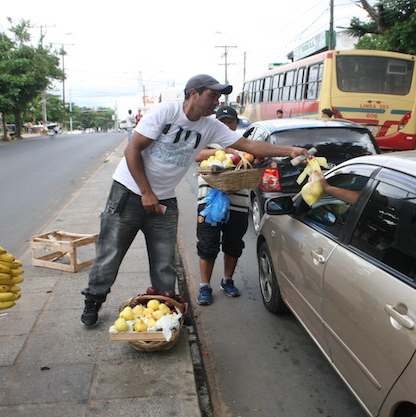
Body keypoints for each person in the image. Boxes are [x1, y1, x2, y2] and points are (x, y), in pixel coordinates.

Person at [80, 74, 308, 326]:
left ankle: (166, 308)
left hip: (164, 199)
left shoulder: (210, 125)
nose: (216, 102)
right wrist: (146, 192)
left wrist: (290, 150)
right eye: (212, 96)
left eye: (218, 97)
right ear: (193, 93)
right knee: (111, 253)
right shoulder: (165, 113)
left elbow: (247, 145)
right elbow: (131, 149)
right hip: (128, 192)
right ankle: (94, 299)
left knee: (164, 260)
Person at [194, 106, 250, 305]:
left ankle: (227, 280)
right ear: (215, 123)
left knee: (233, 245)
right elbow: (196, 155)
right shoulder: (205, 142)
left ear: (236, 124)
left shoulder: (244, 146)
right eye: (222, 122)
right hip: (208, 203)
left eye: (230, 122)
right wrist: (222, 150)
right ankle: (204, 286)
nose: (226, 125)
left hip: (239, 203)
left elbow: (254, 163)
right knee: (207, 245)